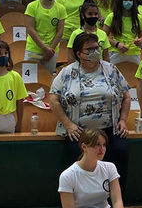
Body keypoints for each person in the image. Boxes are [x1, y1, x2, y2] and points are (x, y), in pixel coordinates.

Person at [48, 32, 131, 174]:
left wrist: (122, 120)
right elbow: (53, 100)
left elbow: (127, 97)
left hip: (109, 128)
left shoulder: (111, 69)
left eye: (96, 48)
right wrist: (68, 124)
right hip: (79, 130)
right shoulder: (66, 72)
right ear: (79, 54)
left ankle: (115, 189)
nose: (95, 52)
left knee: (120, 151)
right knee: (82, 155)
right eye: (90, 49)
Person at [24, 0, 66, 74]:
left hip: (52, 51)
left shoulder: (61, 8)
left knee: (47, 77)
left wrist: (50, 50)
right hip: (34, 49)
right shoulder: (32, 6)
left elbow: (60, 31)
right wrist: (44, 48)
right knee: (29, 78)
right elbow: (30, 29)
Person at [104, 0, 142, 65]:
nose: (128, 2)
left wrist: (140, 40)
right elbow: (104, 35)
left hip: (134, 53)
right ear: (119, 1)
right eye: (125, 0)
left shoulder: (139, 18)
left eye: (130, 0)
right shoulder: (111, 17)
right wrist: (117, 44)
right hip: (116, 52)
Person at [66, 0, 109, 64]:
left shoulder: (103, 34)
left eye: (96, 14)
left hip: (98, 67)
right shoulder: (75, 34)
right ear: (83, 16)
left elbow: (106, 57)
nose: (93, 16)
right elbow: (71, 56)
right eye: (90, 14)